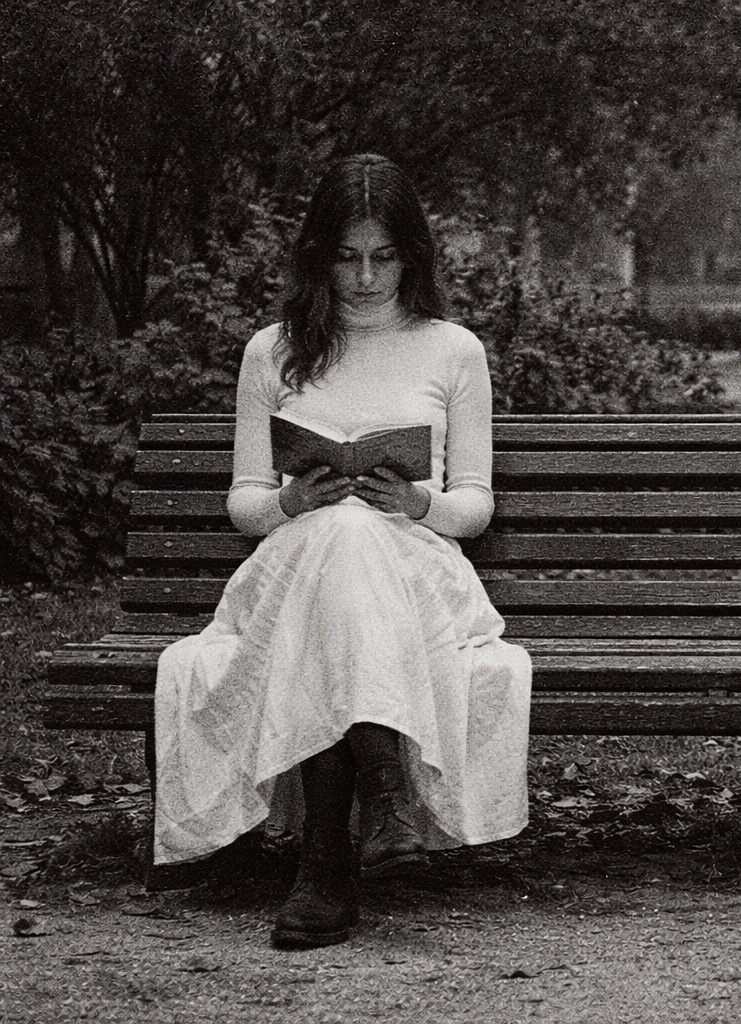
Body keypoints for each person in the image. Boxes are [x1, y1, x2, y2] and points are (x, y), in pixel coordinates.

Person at [154, 153, 532, 949]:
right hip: (299, 570)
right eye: (347, 256)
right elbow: (244, 504)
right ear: (318, 256)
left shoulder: (452, 350)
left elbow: (475, 505)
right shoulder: (273, 351)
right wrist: (290, 501)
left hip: (415, 578)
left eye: (383, 257)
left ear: (412, 256)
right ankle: (383, 796)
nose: (364, 277)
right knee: (337, 533)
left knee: (360, 532)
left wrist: (417, 501)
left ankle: (325, 861)